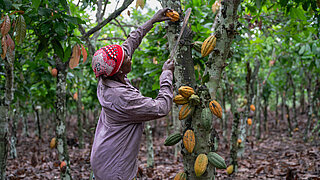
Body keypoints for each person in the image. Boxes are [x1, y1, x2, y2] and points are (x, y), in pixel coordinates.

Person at [90, 8, 175, 180]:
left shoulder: (107, 74)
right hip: (113, 169)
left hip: (104, 155)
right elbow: (162, 108)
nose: (129, 56)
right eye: (126, 58)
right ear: (120, 69)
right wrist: (166, 74)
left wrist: (152, 21)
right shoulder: (122, 98)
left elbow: (129, 43)